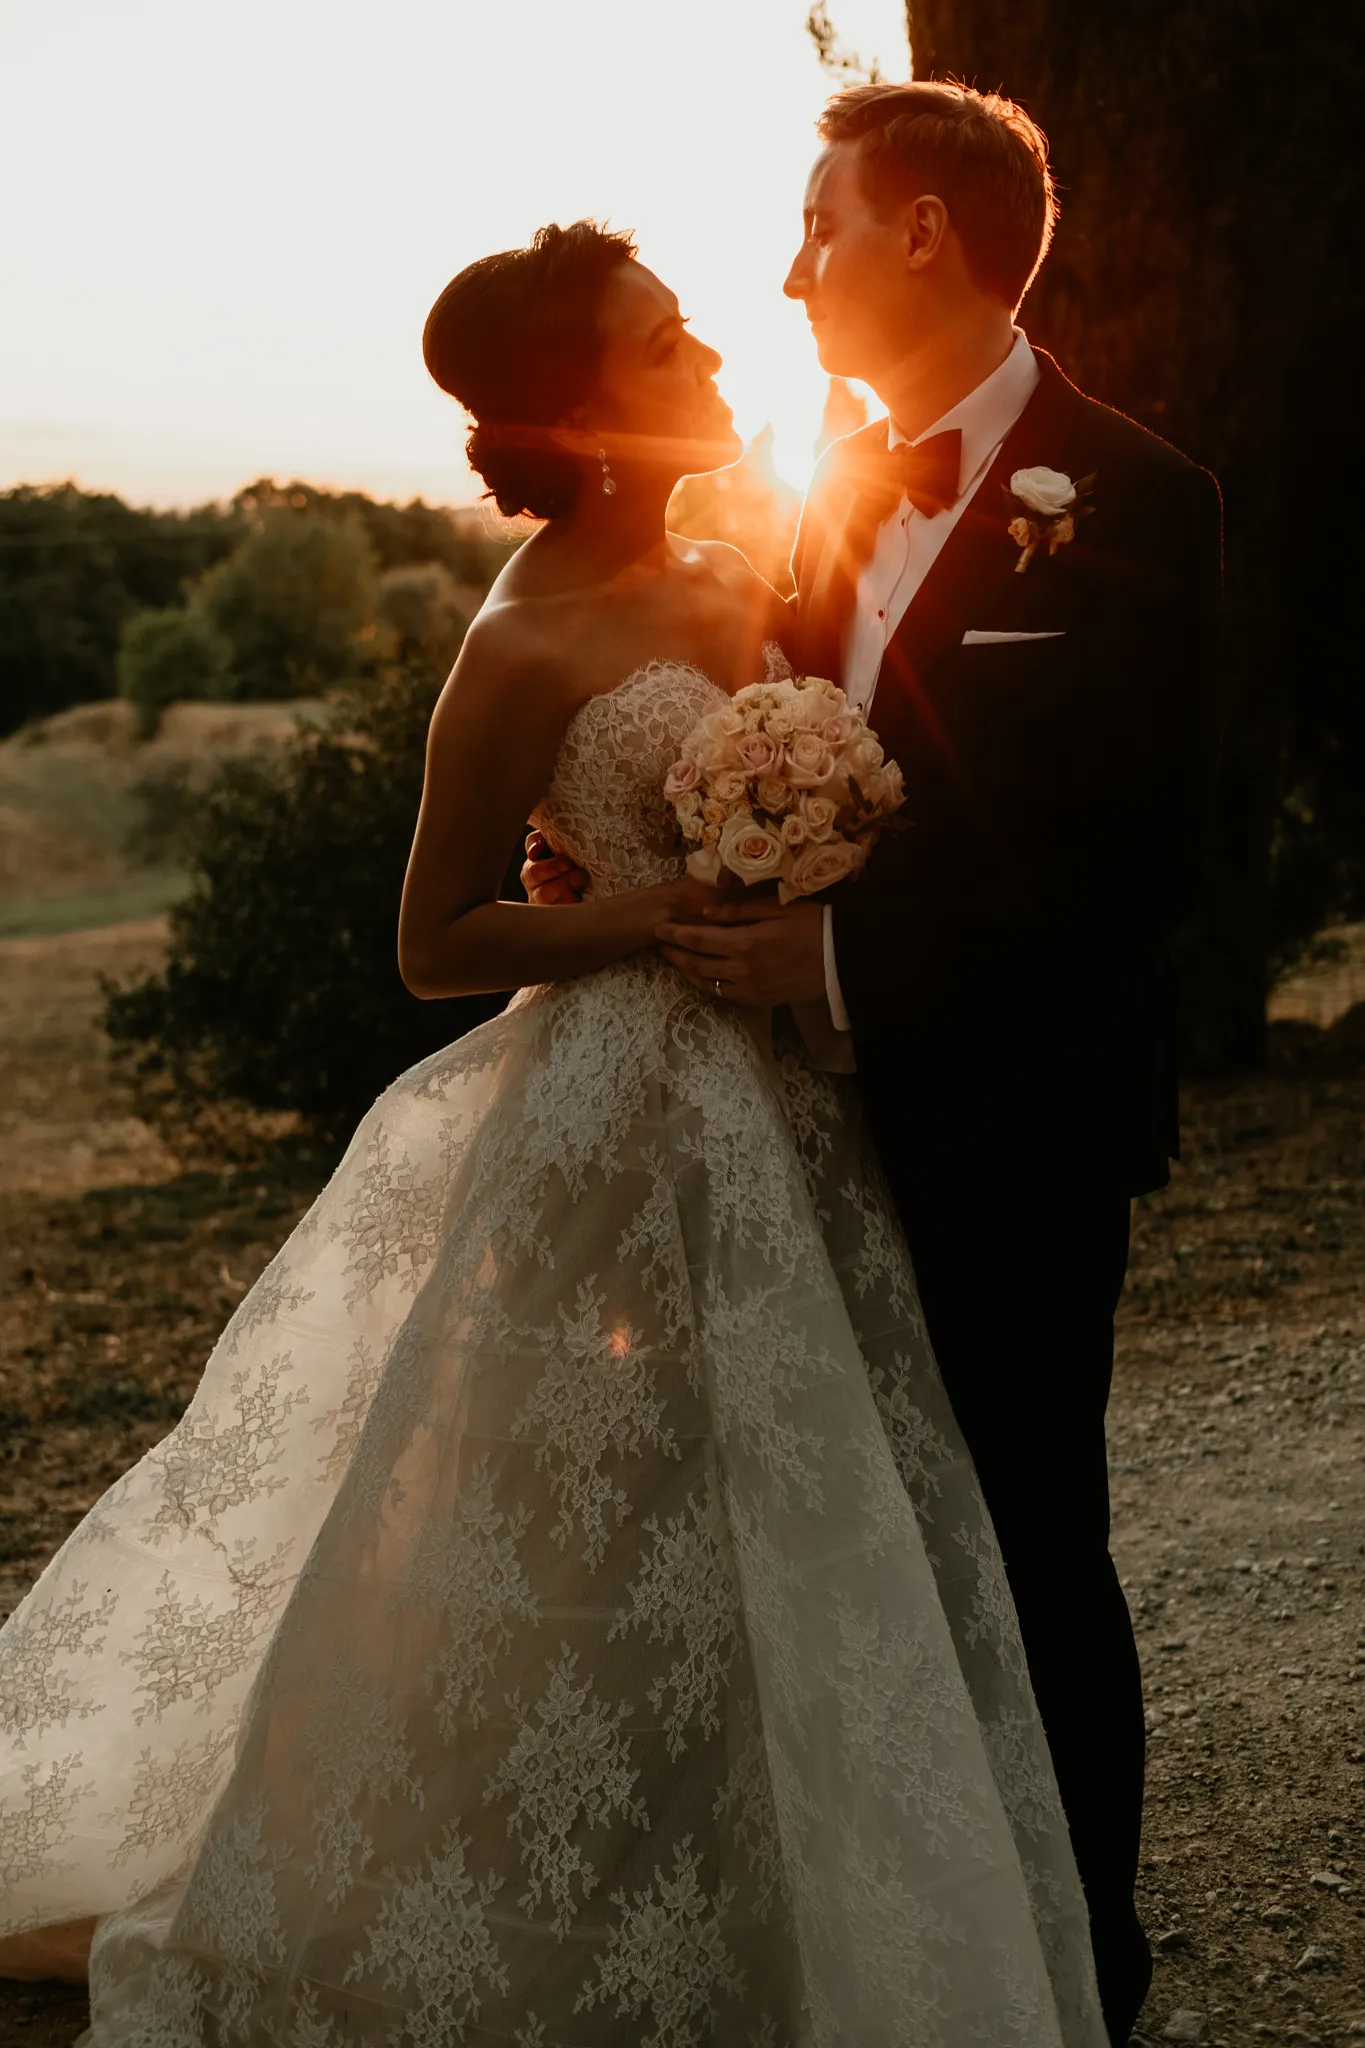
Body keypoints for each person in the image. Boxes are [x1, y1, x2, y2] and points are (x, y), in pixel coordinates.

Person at [0, 223, 1108, 2046]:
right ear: (591, 411)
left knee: (790, 1499)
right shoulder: (520, 641)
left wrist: (813, 867)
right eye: (672, 342)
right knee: (592, 1518)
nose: (718, 359)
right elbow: (438, 941)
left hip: (796, 1091)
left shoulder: (746, 564)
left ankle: (769, 1886)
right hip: (611, 1109)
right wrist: (651, 914)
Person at [616, 81, 1220, 2046]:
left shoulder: (1133, 499)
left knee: (1027, 1535)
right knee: (848, 1548)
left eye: (816, 226)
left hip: (1017, 1117)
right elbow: (800, 740)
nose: (789, 269)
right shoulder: (833, 485)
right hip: (804, 1109)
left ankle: (1084, 1980)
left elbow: (1147, 860)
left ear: (924, 240)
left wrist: (846, 955)